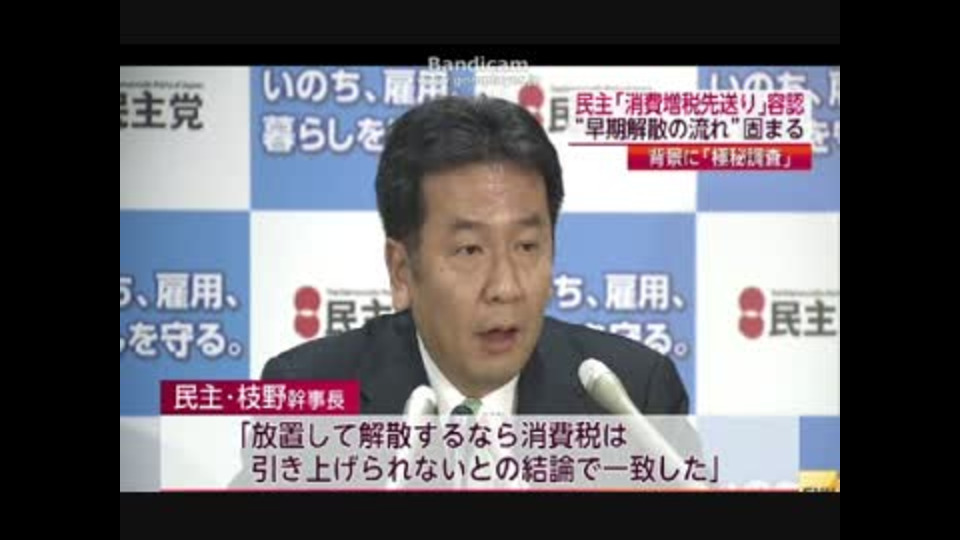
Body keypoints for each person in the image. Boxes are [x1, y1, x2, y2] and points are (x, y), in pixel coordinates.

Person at [261, 94, 689, 418]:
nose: (505, 287)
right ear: (402, 270)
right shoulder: (307, 396)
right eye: (470, 250)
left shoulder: (634, 397)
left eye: (526, 246)